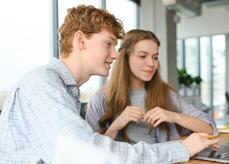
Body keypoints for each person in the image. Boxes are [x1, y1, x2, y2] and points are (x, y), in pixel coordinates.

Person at [0, 5, 218, 164]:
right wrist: (181, 149)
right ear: (81, 41)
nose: (115, 54)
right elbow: (89, 156)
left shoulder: (64, 90)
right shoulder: (43, 84)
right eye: (108, 44)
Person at [86, 29, 218, 144]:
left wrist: (173, 116)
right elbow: (92, 152)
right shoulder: (100, 100)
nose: (151, 63)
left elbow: (209, 128)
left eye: (155, 57)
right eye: (142, 56)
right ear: (124, 58)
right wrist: (116, 126)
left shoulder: (167, 94)